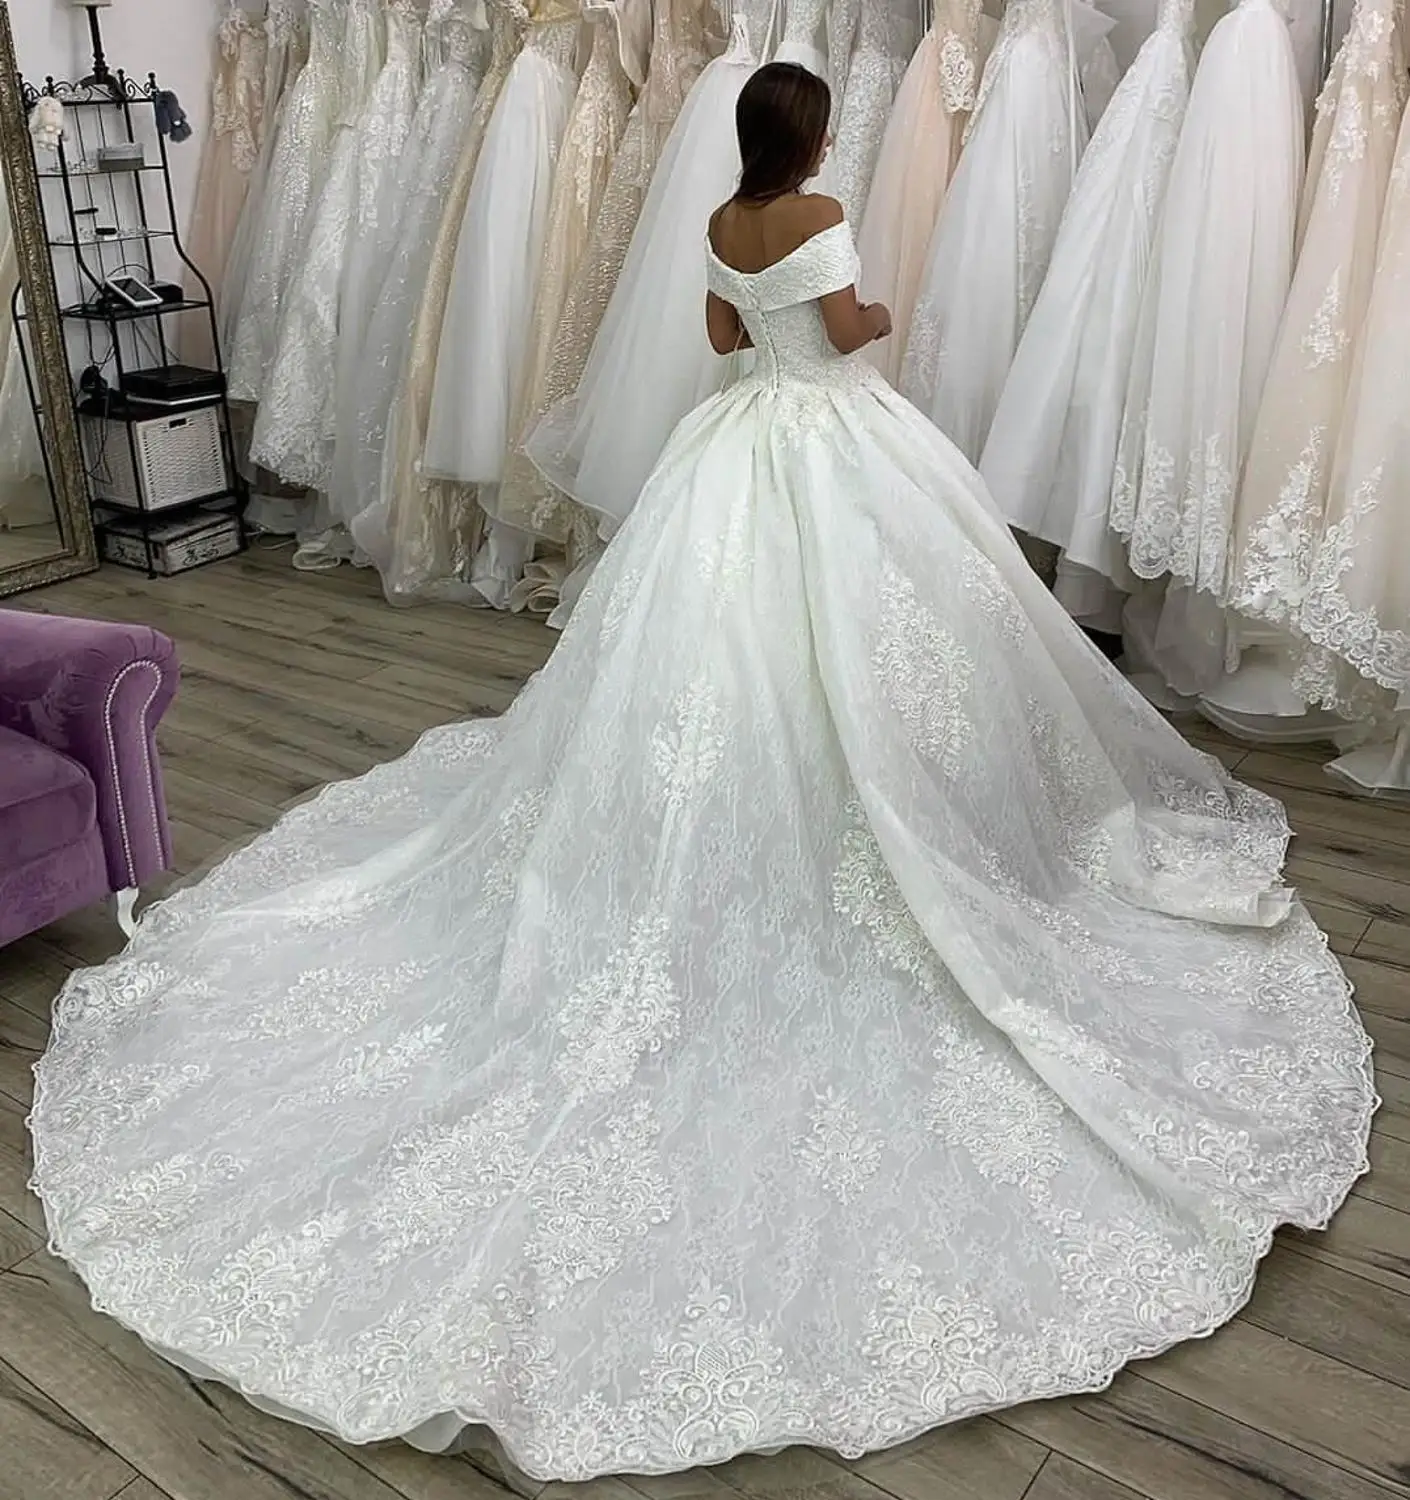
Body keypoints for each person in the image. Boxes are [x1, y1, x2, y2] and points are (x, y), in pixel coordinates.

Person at [30, 63, 1374, 1487]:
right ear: (813, 137)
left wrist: (787, 323)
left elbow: (727, 333)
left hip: (737, 446)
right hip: (835, 439)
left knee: (712, 659)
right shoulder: (823, 213)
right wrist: (872, 318)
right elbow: (843, 331)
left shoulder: (727, 220)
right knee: (882, 647)